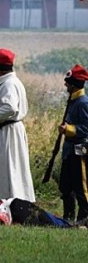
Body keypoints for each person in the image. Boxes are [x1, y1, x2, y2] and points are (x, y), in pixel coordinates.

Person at [0, 48, 35, 205]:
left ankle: (10, 204)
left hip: (8, 133)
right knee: (6, 168)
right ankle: (3, 203)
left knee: (9, 169)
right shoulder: (10, 83)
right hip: (7, 131)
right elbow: (5, 104)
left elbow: (10, 108)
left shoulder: (9, 84)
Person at [57, 64, 88, 223]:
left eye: (68, 82)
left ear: (74, 85)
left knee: (81, 187)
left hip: (80, 150)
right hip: (69, 150)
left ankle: (83, 219)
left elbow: (86, 128)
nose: (65, 85)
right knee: (65, 186)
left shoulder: (83, 102)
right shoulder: (73, 100)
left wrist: (68, 129)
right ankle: (67, 218)